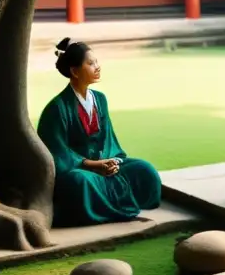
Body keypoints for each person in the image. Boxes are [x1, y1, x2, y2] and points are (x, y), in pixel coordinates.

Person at [36, 38, 162, 226]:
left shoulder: (100, 100)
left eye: (97, 62)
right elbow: (56, 153)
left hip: (104, 161)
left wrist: (112, 162)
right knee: (80, 183)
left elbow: (109, 140)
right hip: (78, 169)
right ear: (74, 71)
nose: (98, 67)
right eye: (91, 63)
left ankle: (106, 202)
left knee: (145, 170)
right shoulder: (57, 108)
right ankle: (107, 205)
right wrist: (93, 165)